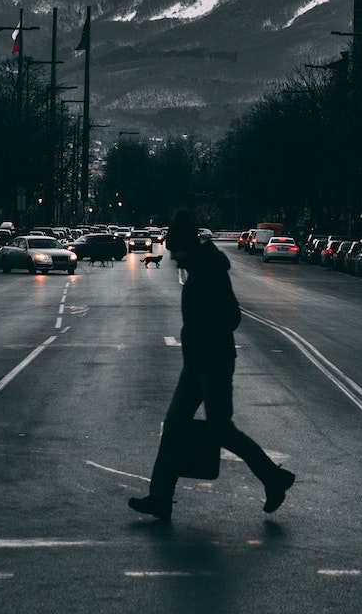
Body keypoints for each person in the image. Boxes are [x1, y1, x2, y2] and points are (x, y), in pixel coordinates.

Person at [129, 210, 295, 520]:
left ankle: (273, 478)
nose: (173, 258)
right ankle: (160, 497)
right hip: (197, 363)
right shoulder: (199, 266)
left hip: (214, 362)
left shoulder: (210, 271)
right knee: (176, 425)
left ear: (186, 247)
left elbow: (231, 316)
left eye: (174, 251)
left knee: (221, 430)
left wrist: (202, 337)